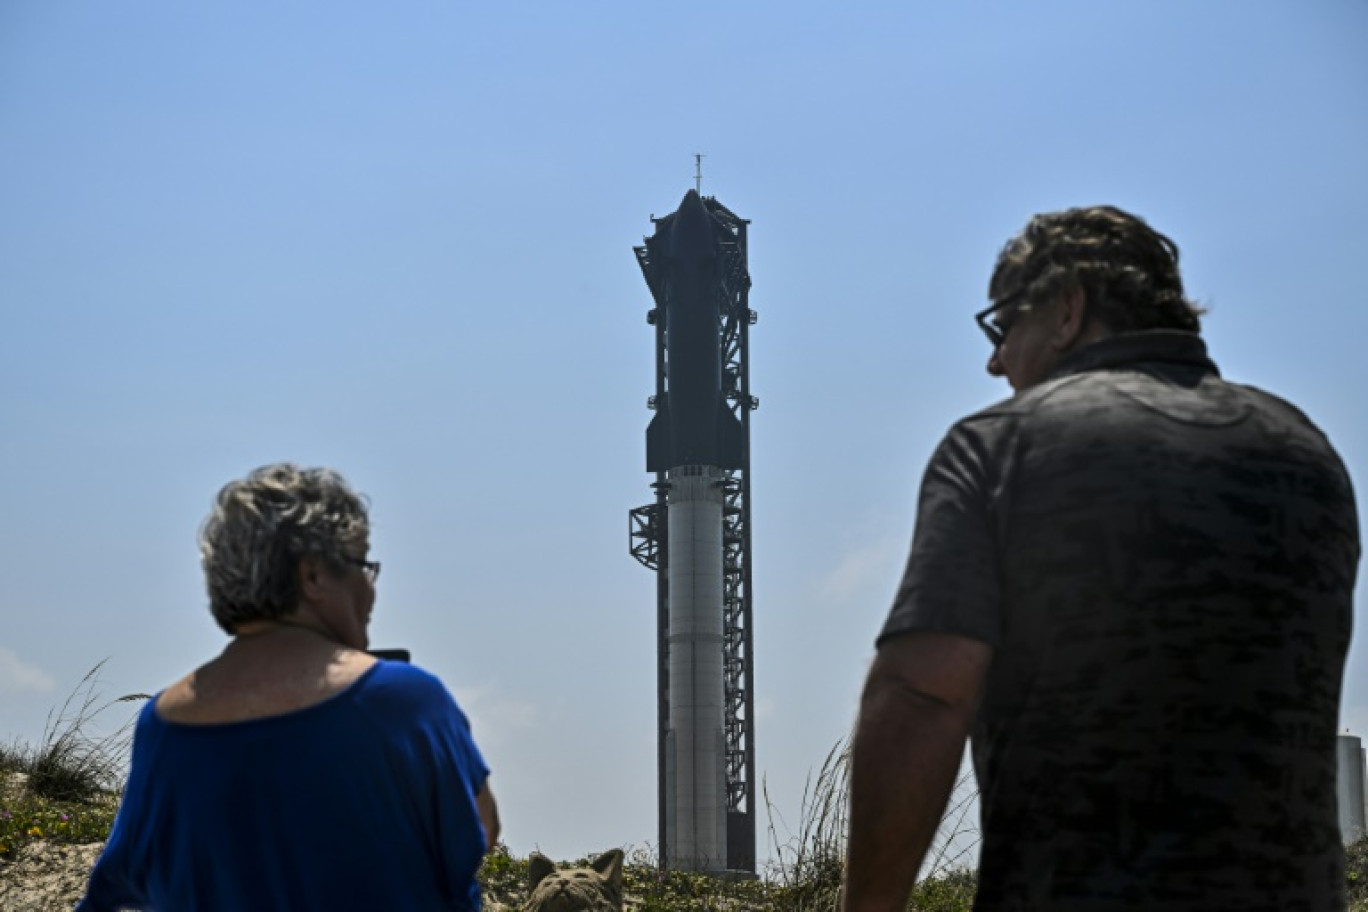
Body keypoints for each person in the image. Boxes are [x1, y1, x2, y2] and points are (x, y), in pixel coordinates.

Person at [842, 206, 1359, 911]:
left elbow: (923, 692)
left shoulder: (1002, 446)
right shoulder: (1308, 452)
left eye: (1002, 326)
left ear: (1065, 309)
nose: (994, 360)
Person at [79, 463, 499, 911]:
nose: (370, 589)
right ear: (314, 575)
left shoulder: (163, 724)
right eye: (362, 565)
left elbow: (121, 886)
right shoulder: (403, 702)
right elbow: (479, 831)